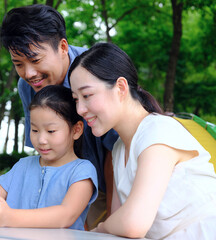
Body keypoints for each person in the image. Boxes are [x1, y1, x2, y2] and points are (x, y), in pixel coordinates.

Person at [69, 42, 216, 239]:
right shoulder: (119, 149)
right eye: (76, 99)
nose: (80, 110)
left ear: (120, 87)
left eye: (86, 95)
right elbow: (120, 221)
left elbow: (132, 223)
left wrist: (101, 228)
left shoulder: (158, 131)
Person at [0, 4, 118, 228]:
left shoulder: (94, 73)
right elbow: (42, 145)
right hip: (63, 183)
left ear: (63, 47)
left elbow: (114, 147)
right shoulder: (27, 86)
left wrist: (112, 213)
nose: (29, 74)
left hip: (108, 182)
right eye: (18, 64)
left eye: (35, 60)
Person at [0, 85, 98, 230]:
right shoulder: (22, 166)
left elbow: (65, 216)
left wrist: (8, 217)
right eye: (34, 130)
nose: (41, 139)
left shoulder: (82, 171)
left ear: (76, 130)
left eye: (51, 131)